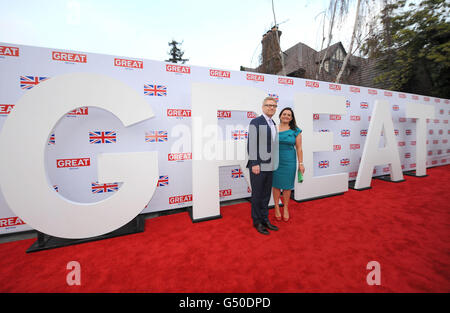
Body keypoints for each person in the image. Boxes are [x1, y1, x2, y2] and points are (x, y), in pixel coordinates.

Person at [247, 96, 280, 235]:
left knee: (266, 195)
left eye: (273, 106)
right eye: (268, 105)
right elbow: (251, 143)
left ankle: (265, 219)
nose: (271, 107)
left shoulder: (273, 123)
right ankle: (257, 221)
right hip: (258, 166)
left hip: (270, 165)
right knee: (257, 195)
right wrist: (254, 163)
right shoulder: (256, 121)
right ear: (263, 107)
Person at [272, 107, 304, 222]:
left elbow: (299, 148)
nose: (286, 116)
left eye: (289, 115)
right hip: (275, 160)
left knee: (287, 186)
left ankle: (285, 207)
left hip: (289, 161)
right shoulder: (273, 128)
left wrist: (301, 163)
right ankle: (276, 206)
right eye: (284, 114)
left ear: (291, 118)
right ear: (280, 115)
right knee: (275, 185)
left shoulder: (296, 130)